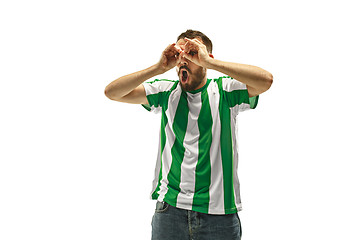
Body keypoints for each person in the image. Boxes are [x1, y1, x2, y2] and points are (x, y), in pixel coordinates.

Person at [104, 29, 273, 240]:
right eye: (179, 54)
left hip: (219, 215)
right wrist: (158, 68)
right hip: (170, 212)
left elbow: (265, 80)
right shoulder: (166, 92)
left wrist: (210, 63)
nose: (184, 59)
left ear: (205, 56)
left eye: (192, 53)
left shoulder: (224, 91)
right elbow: (112, 92)